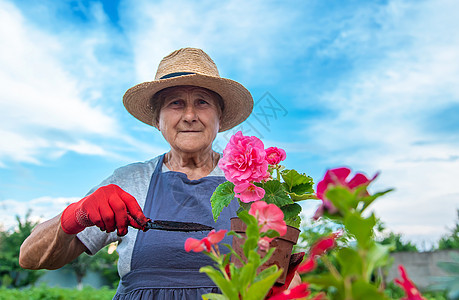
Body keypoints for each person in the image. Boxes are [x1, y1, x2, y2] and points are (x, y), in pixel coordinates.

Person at [19, 48, 254, 299]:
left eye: (202, 102)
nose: (189, 116)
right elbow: (30, 258)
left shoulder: (252, 183)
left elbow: (281, 271)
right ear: (157, 119)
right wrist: (75, 215)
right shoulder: (129, 181)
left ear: (219, 116)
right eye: (176, 103)